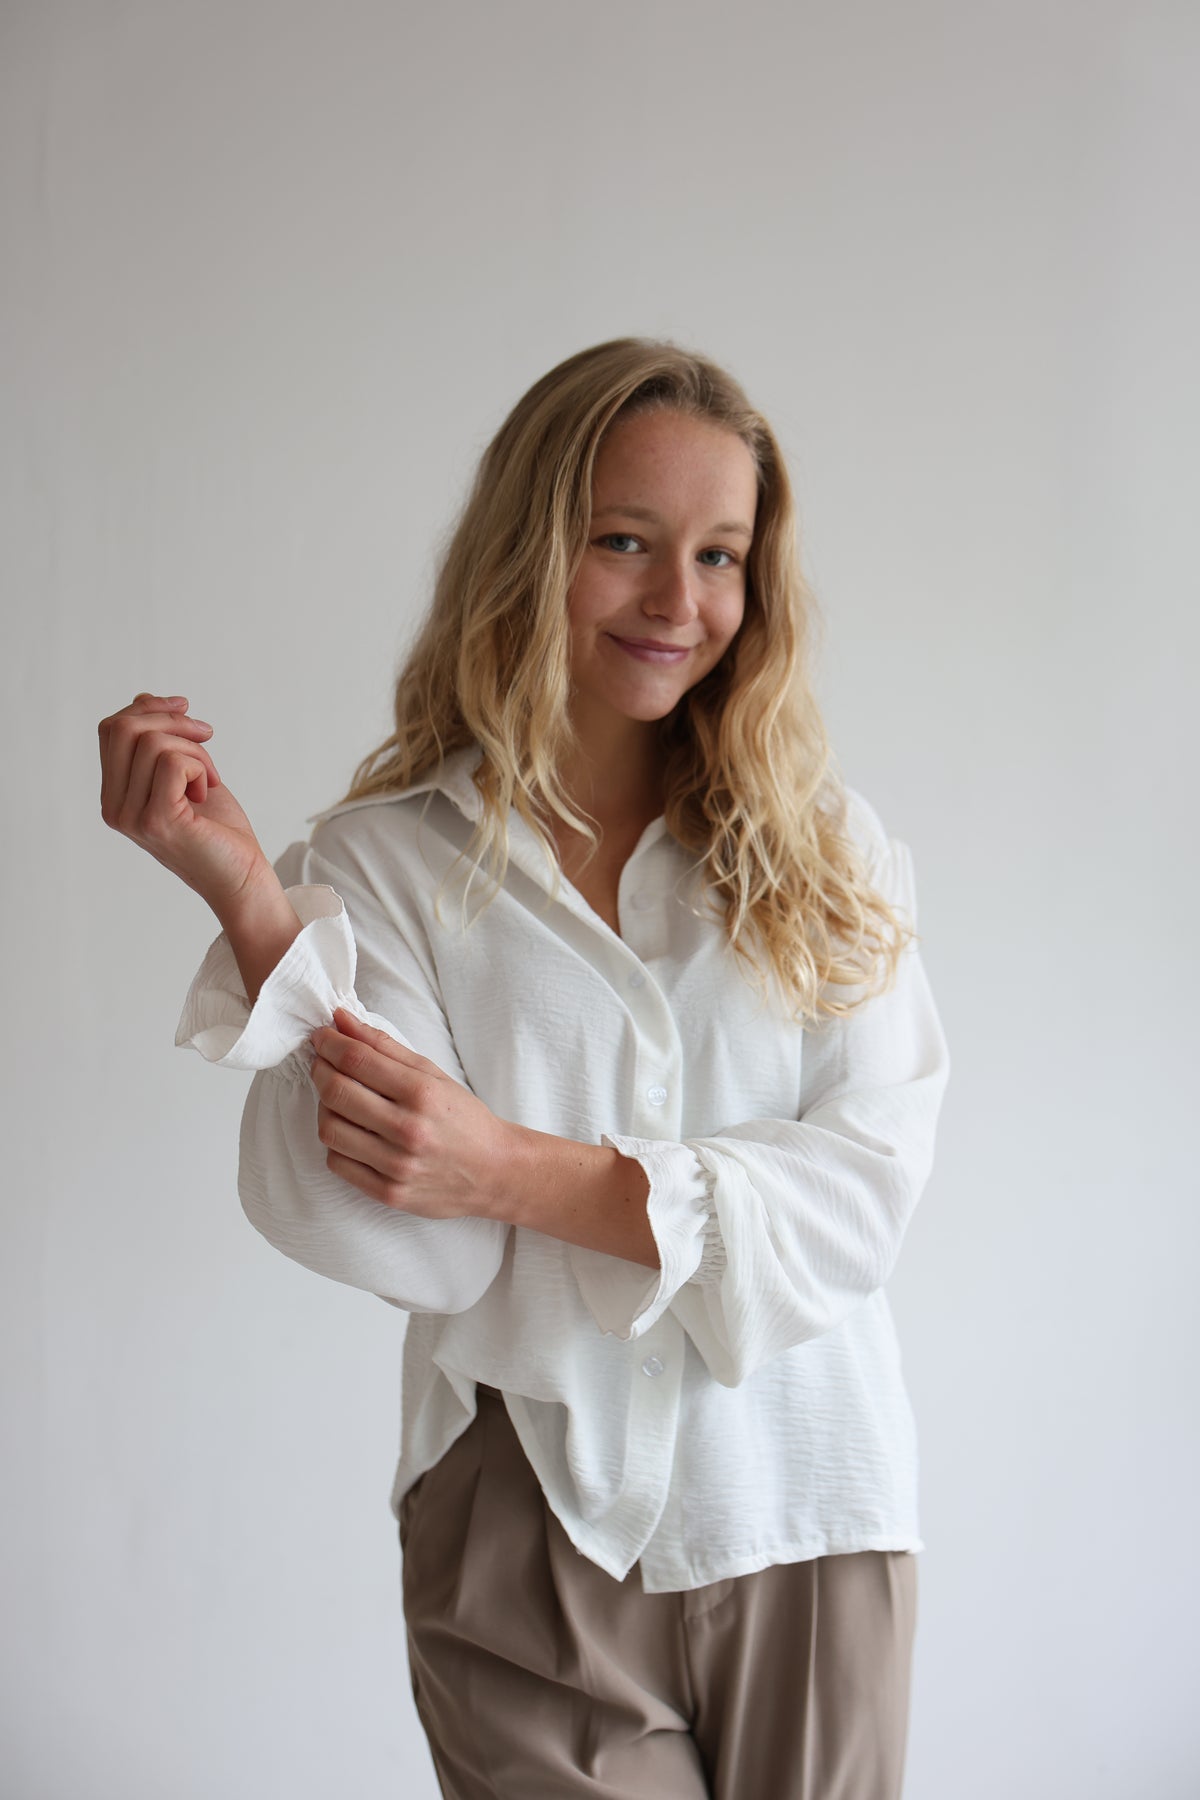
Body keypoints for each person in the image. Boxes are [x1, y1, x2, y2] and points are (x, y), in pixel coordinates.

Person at [98, 337, 949, 1799]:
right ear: (531, 547)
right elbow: (420, 1248)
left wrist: (511, 1169)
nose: (678, 601)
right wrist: (254, 912)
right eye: (625, 542)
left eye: (720, 555)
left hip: (807, 1494)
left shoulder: (829, 851)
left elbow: (860, 1202)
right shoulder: (387, 863)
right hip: (525, 1509)